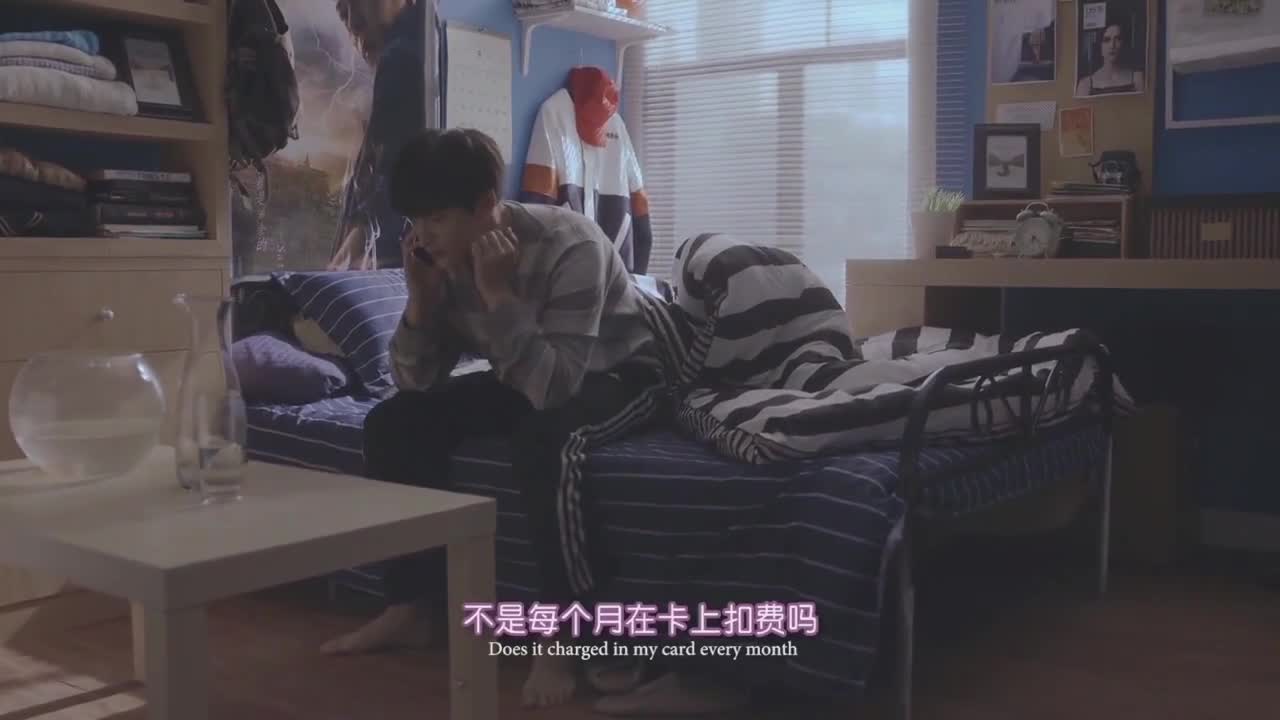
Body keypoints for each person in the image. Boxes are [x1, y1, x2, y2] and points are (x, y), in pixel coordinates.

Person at [320, 127, 667, 708]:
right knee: (394, 423)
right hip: (525, 370)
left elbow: (554, 390)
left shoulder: (570, 245)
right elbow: (414, 383)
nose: (422, 235)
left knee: (544, 439)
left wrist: (498, 296)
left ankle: (566, 632)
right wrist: (421, 301)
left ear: (486, 204)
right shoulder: (435, 259)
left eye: (437, 219)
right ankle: (412, 606)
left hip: (616, 371)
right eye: (415, 220)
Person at [328, 0, 426, 270]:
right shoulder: (425, 43)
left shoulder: (400, 56)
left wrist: (358, 238)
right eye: (344, 12)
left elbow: (393, 163)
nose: (353, 22)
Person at [1076, 15, 1144, 97]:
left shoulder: (1136, 78)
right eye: (1106, 40)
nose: (1112, 45)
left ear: (1123, 43)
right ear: (1100, 46)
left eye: (1117, 39)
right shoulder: (1085, 84)